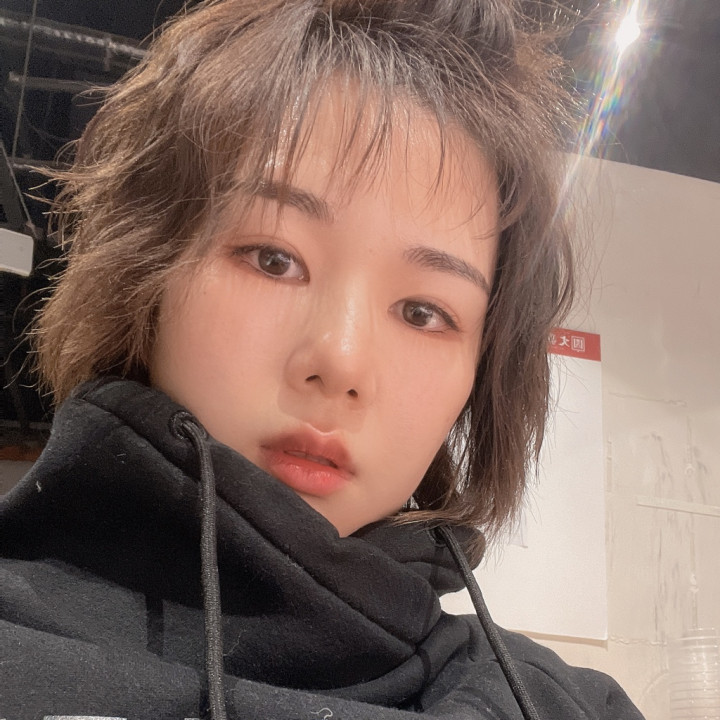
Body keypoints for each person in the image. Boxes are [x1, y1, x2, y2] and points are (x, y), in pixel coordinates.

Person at [0, 1, 644, 719]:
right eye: (274, 260)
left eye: (423, 312)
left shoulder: (566, 707)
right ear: (148, 269)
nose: (340, 362)